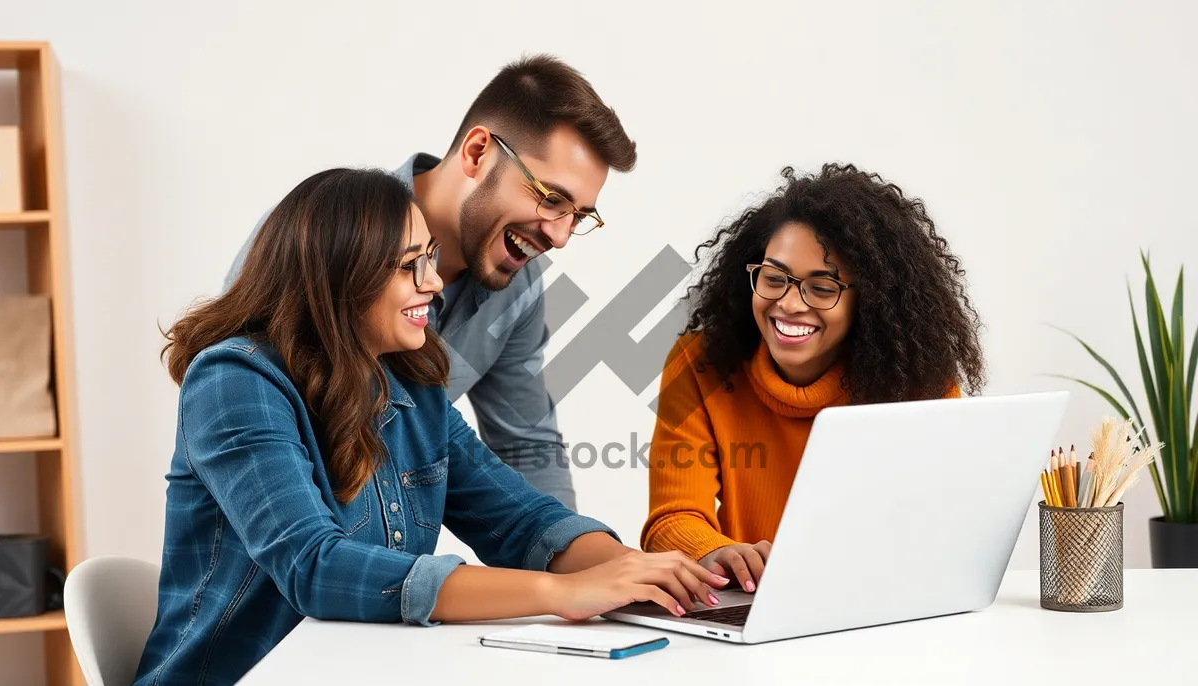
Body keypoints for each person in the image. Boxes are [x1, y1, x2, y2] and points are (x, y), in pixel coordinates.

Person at [135, 168, 725, 685]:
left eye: (429, 258)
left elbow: (521, 521)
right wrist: (563, 594)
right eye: (407, 266)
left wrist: (639, 573)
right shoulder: (235, 380)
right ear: (339, 276)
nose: (435, 282)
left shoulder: (412, 384)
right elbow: (315, 566)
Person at [222, 54, 638, 510]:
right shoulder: (318, 234)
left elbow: (524, 445)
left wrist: (582, 562)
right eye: (551, 198)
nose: (559, 236)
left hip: (390, 565)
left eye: (577, 216)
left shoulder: (518, 285)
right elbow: (235, 411)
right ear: (478, 152)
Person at [640, 163, 987, 591]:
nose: (788, 304)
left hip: (882, 604)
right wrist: (715, 552)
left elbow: (945, 523)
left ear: (871, 301)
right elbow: (673, 518)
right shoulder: (699, 364)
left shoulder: (917, 382)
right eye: (773, 278)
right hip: (754, 605)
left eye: (822, 288)